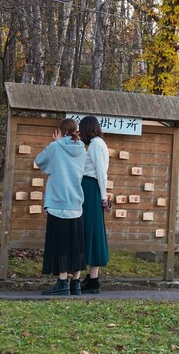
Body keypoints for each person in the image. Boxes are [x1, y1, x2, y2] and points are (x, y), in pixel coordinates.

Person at [34, 118, 87, 295]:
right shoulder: (82, 149)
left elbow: (40, 161)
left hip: (58, 202)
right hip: (76, 204)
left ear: (60, 131)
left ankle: (62, 282)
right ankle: (76, 283)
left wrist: (56, 143)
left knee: (60, 244)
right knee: (76, 246)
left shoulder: (55, 147)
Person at [78, 115, 111, 294]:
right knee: (92, 230)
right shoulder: (96, 144)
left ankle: (93, 279)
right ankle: (92, 278)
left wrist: (103, 197)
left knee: (91, 230)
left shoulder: (96, 144)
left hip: (91, 189)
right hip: (91, 188)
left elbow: (100, 172)